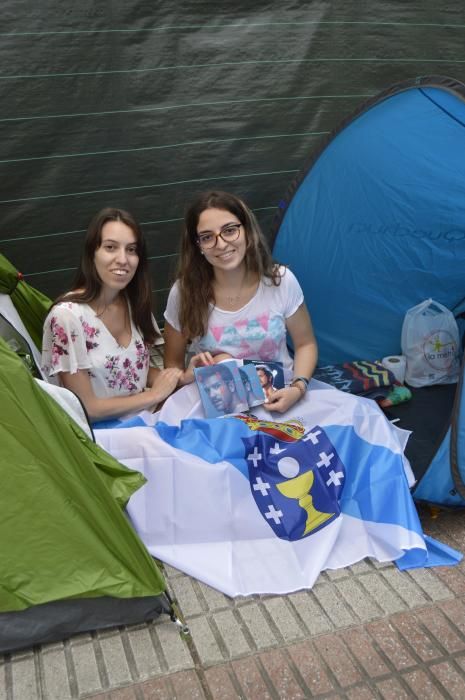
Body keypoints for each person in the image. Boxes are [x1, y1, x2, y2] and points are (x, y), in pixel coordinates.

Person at [163, 191, 318, 413]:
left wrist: (298, 388)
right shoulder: (183, 292)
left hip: (283, 401)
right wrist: (186, 376)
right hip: (218, 410)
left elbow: (306, 344)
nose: (221, 243)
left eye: (229, 230)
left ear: (247, 231)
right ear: (197, 245)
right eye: (207, 237)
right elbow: (172, 367)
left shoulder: (280, 281)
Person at [41, 207, 182, 422]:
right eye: (110, 247)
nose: (123, 259)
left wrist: (182, 377)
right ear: (91, 254)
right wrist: (154, 395)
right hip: (102, 439)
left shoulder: (134, 303)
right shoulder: (66, 317)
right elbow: (87, 408)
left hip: (145, 420)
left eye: (132, 249)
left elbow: (137, 373)